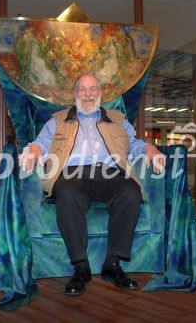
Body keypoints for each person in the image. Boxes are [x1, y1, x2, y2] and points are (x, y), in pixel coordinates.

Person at [20, 73, 165, 296]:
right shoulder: (57, 120)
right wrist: (35, 149)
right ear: (75, 94)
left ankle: (112, 264)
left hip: (111, 173)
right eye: (83, 89)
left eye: (93, 89)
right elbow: (40, 142)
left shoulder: (118, 119)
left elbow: (133, 144)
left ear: (100, 93)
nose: (88, 94)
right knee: (67, 194)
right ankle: (81, 267)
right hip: (72, 174)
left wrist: (149, 149)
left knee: (130, 191)